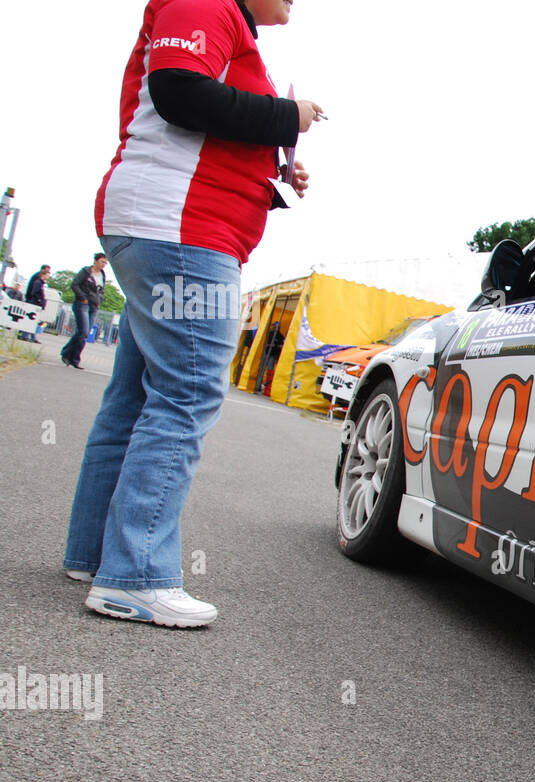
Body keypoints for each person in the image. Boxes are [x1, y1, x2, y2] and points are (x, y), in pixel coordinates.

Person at [64, 0, 323, 628]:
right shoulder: (206, 1)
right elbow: (179, 91)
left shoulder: (223, 19)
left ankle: (95, 555)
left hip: (166, 226)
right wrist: (289, 115)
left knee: (133, 396)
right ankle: (136, 574)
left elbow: (196, 115)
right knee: (187, 392)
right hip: (182, 233)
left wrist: (273, 167)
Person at [61, 254, 106, 369]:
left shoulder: (102, 275)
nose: (104, 265)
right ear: (95, 261)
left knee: (84, 334)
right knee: (83, 331)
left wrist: (99, 300)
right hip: (83, 304)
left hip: (94, 306)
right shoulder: (86, 272)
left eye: (105, 263)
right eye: (102, 262)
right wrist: (82, 297)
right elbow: (75, 284)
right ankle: (70, 355)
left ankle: (71, 356)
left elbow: (101, 290)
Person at [23, 264, 51, 343]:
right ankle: (26, 335)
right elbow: (34, 292)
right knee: (31, 320)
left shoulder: (40, 282)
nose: (48, 276)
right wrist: (39, 300)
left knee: (34, 321)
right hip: (34, 302)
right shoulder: (37, 281)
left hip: (35, 302)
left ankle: (31, 336)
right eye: (47, 273)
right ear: (43, 273)